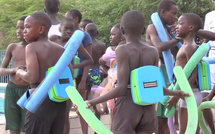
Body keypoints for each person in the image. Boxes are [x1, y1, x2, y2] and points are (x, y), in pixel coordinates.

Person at [75, 10, 190, 134]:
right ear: (143, 30)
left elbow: (122, 88)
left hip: (128, 107)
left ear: (123, 31)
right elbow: (152, 85)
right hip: (148, 108)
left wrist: (92, 101)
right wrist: (175, 93)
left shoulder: (123, 50)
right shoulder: (153, 51)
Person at [16, 12, 68, 134]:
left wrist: (19, 72)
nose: (24, 31)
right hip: (58, 102)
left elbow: (32, 77)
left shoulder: (32, 47)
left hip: (39, 99)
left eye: (27, 27)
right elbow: (68, 74)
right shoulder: (60, 49)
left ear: (40, 29)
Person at [49, 18, 93, 134]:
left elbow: (89, 60)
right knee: (50, 113)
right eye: (66, 28)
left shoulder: (76, 44)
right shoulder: (53, 39)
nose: (69, 31)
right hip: (52, 79)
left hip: (67, 80)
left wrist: (73, 67)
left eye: (71, 29)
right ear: (60, 29)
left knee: (64, 115)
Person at [146, 1, 180, 133]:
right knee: (160, 115)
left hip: (167, 70)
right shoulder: (152, 27)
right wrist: (177, 38)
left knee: (165, 114)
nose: (175, 17)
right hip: (158, 70)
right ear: (163, 12)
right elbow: (159, 47)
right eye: (174, 14)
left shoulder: (167, 30)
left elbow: (175, 52)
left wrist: (176, 37)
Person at [166, 13, 203, 134]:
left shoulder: (190, 47)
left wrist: (176, 96)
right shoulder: (185, 45)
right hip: (186, 93)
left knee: (187, 131)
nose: (177, 26)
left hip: (189, 94)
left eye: (181, 24)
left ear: (191, 27)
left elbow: (193, 76)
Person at [65, 9, 93, 134]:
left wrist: (82, 81)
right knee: (65, 110)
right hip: (67, 77)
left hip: (80, 76)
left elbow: (88, 59)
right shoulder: (65, 34)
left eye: (68, 17)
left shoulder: (84, 35)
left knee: (82, 108)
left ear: (76, 19)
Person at [0, 16, 29, 134]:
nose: (19, 30)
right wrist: (14, 70)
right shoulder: (13, 47)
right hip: (12, 88)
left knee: (27, 125)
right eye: (17, 27)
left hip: (28, 90)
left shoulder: (36, 48)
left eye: (22, 28)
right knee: (13, 125)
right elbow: (1, 70)